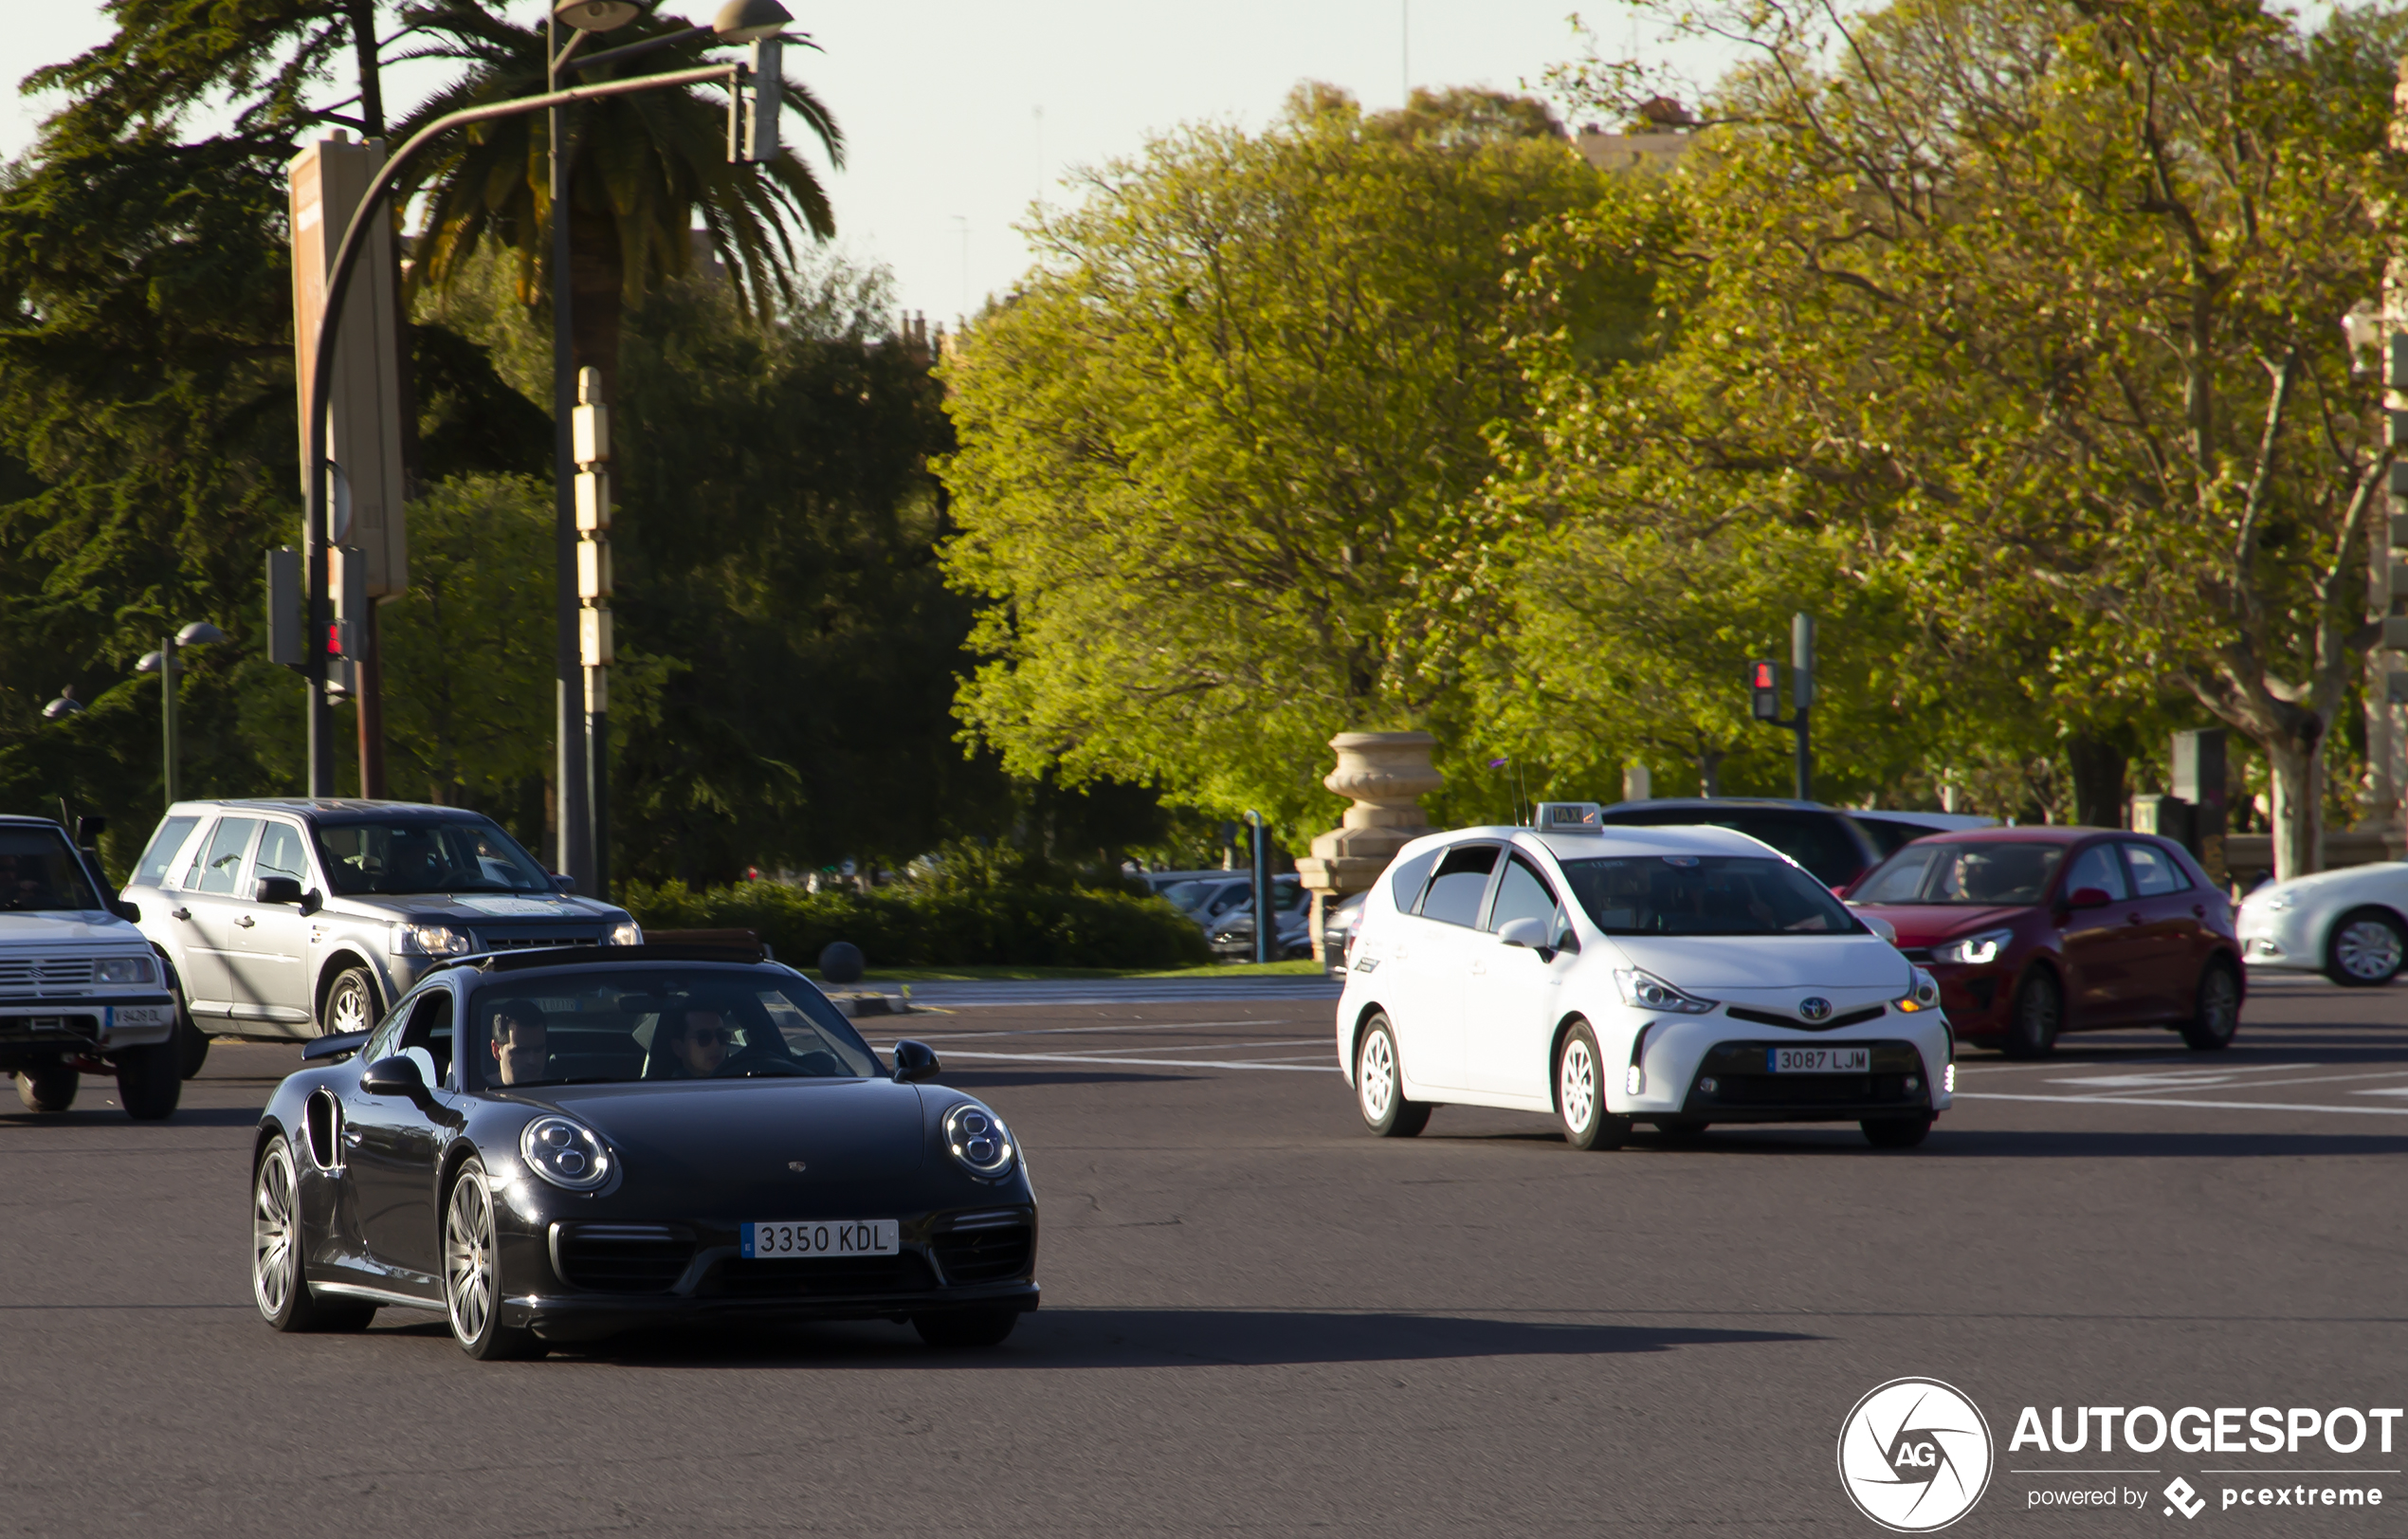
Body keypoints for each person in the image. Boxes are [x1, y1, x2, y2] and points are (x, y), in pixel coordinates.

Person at [659, 1007, 735, 1078]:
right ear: (678, 1048)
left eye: (721, 1036)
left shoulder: (740, 1080)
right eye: (704, 1038)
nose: (716, 1045)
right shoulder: (670, 1091)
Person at [487, 1000, 549, 1086]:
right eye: (520, 1051)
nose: (532, 1060)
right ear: (496, 1050)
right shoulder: (476, 1093)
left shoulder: (561, 1092)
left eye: (539, 1050)